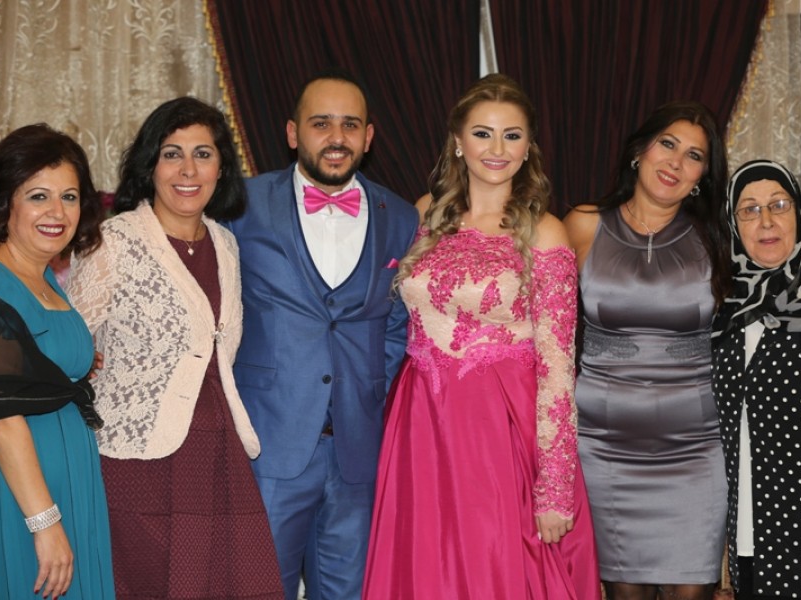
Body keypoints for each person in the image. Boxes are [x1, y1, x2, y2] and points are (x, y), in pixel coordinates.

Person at [361, 73, 601, 599]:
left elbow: (558, 365)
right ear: (457, 141)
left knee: (494, 565)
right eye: (482, 133)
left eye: (512, 135)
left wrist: (555, 486)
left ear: (528, 147)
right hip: (421, 419)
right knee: (424, 566)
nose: (497, 149)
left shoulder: (545, 230)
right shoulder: (423, 214)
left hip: (498, 426)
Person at [66, 97, 283, 598]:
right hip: (135, 460)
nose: (188, 170)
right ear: (150, 165)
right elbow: (68, 346)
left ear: (221, 168)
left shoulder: (225, 244)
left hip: (219, 453)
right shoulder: (113, 241)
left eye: (203, 154)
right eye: (172, 154)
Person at [225, 68, 419, 600]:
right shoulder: (240, 204)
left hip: (359, 449)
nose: (337, 137)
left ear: (369, 137)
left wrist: (370, 390)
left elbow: (399, 323)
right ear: (293, 133)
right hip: (269, 445)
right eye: (321, 123)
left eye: (350, 124)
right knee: (262, 589)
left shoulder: (402, 218)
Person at [563, 101, 732, 600]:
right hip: (603, 448)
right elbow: (543, 329)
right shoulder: (583, 225)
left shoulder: (717, 238)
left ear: (702, 176)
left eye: (694, 155)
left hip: (696, 449)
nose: (676, 162)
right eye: (668, 144)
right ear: (639, 150)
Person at [0, 124, 114, 599]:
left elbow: (41, 370)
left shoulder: (43, 279)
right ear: (5, 202)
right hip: (16, 492)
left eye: (69, 197)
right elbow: (2, 420)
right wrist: (44, 522)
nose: (57, 212)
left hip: (67, 481)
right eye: (38, 196)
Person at [712, 159, 801, 599]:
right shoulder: (723, 311)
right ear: (733, 225)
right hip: (752, 534)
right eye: (749, 210)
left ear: (800, 213)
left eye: (778, 204)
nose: (766, 221)